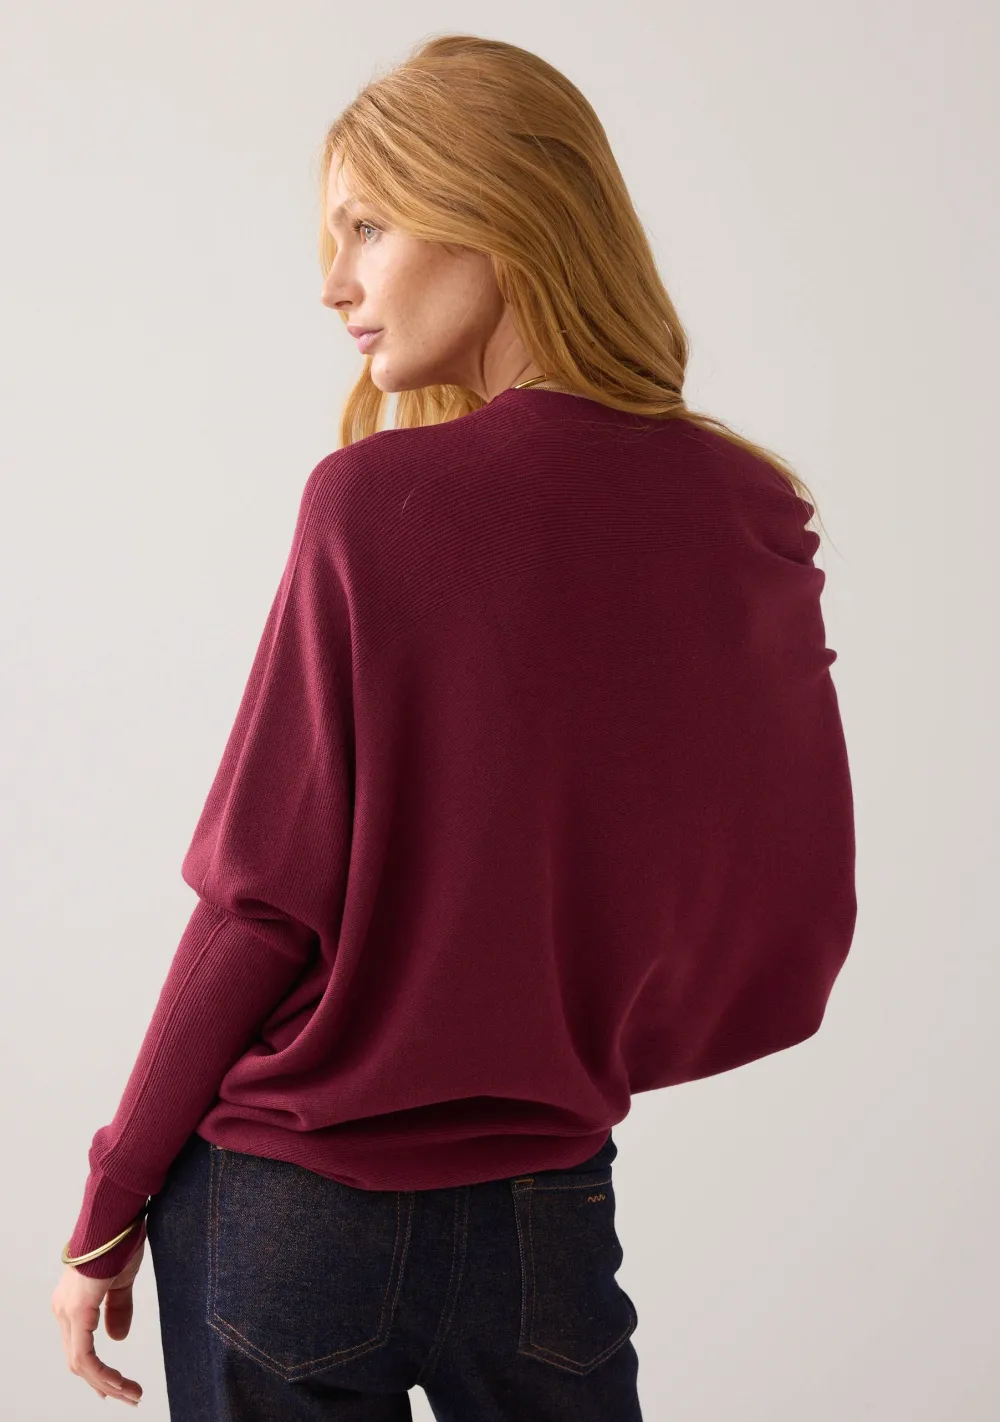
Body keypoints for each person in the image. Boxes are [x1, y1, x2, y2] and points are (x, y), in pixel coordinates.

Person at [51, 32, 856, 1421]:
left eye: (368, 225)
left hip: (286, 1199)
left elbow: (261, 903)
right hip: (545, 1203)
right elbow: (793, 911)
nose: (334, 282)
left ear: (501, 210)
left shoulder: (372, 502)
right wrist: (561, 1042)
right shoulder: (751, 514)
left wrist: (109, 1195)